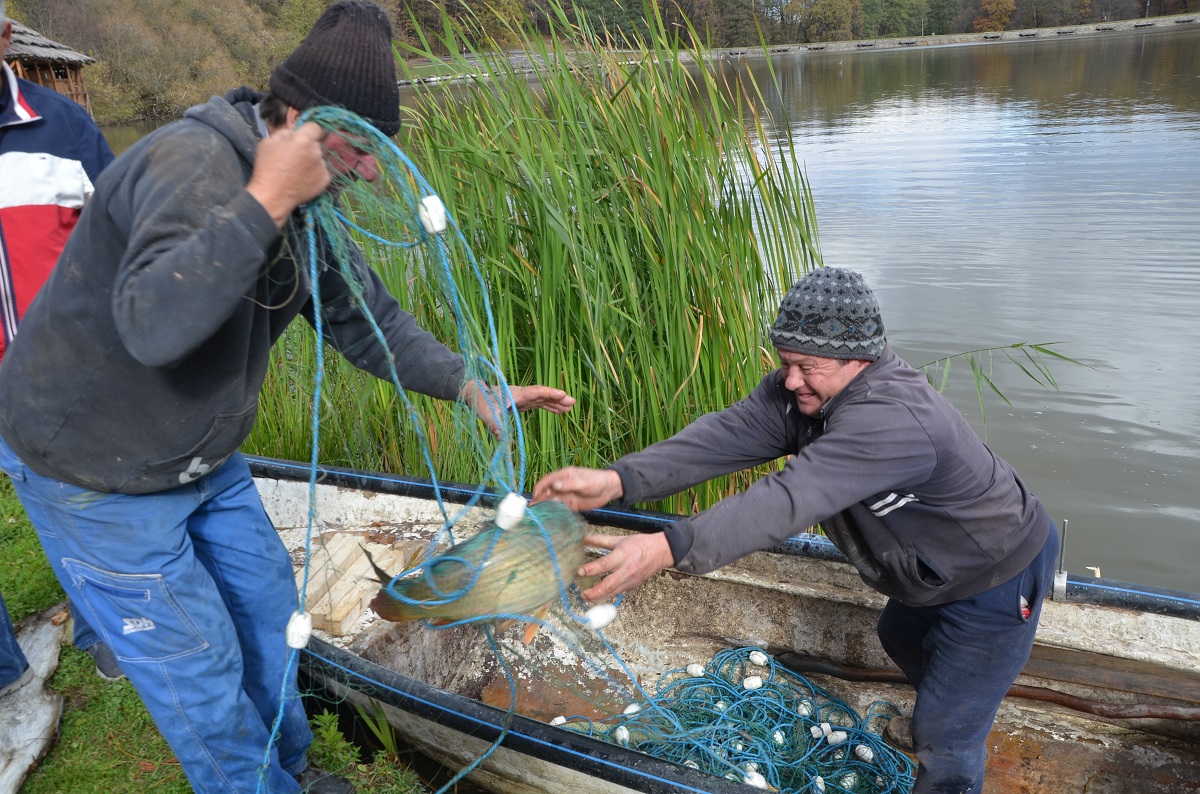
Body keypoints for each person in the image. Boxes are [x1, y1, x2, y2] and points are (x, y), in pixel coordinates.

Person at [0, 2, 574, 792]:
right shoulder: (190, 165)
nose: (372, 170)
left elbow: (364, 319)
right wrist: (265, 199)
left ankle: (292, 770)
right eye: (361, 147)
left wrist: (469, 385)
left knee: (271, 620)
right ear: (302, 122)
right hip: (93, 467)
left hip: (201, 451)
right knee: (194, 667)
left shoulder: (309, 207)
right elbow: (153, 328)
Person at [533, 267, 1058, 794]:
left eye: (808, 366)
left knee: (946, 736)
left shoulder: (892, 420)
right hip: (929, 566)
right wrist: (616, 479)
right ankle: (951, 706)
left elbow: (788, 499)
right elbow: (725, 436)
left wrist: (668, 547)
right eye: (785, 362)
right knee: (897, 635)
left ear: (862, 359)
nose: (790, 380)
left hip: (997, 572)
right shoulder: (805, 394)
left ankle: (951, 745)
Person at [0, 2, 122, 684]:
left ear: (6, 37)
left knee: (75, 507)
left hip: (61, 375)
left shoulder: (65, 123)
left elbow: (120, 234)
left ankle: (101, 629)